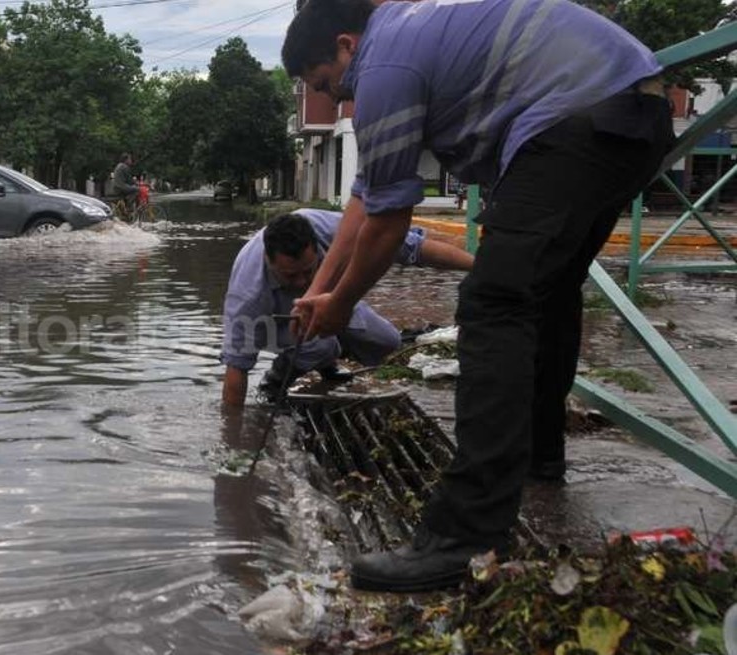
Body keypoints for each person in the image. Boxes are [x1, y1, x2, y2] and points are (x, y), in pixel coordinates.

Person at [281, 0, 674, 592]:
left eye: (324, 83)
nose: (333, 98)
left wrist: (341, 306)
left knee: (492, 303)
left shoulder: (383, 65)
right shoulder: (405, 36)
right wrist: (319, 289)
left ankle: (464, 536)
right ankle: (540, 458)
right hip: (635, 111)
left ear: (345, 45)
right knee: (547, 291)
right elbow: (365, 198)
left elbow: (387, 226)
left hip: (578, 118)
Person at [221, 209, 473, 408]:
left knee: (388, 342)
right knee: (318, 347)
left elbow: (413, 248)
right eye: (290, 276)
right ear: (268, 260)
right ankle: (279, 378)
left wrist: (478, 267)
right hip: (280, 320)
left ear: (319, 248)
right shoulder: (248, 294)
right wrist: (234, 439)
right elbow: (237, 367)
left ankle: (332, 352)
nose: (301, 283)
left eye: (308, 271)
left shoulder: (332, 230)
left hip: (332, 299)